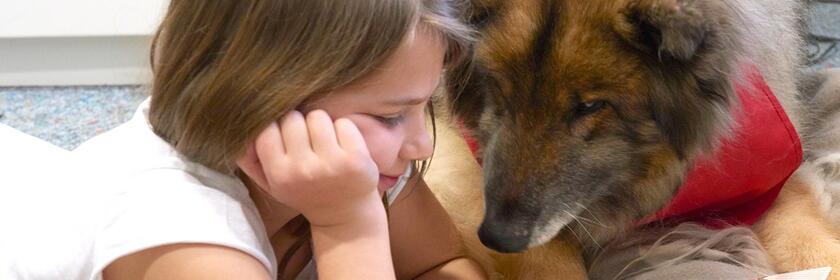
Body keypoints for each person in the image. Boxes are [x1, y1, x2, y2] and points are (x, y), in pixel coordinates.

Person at [0, 0, 486, 279]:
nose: (423, 144)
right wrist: (349, 230)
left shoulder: (359, 167)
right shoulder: (179, 233)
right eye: (392, 116)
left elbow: (442, 264)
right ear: (261, 103)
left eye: (424, 106)